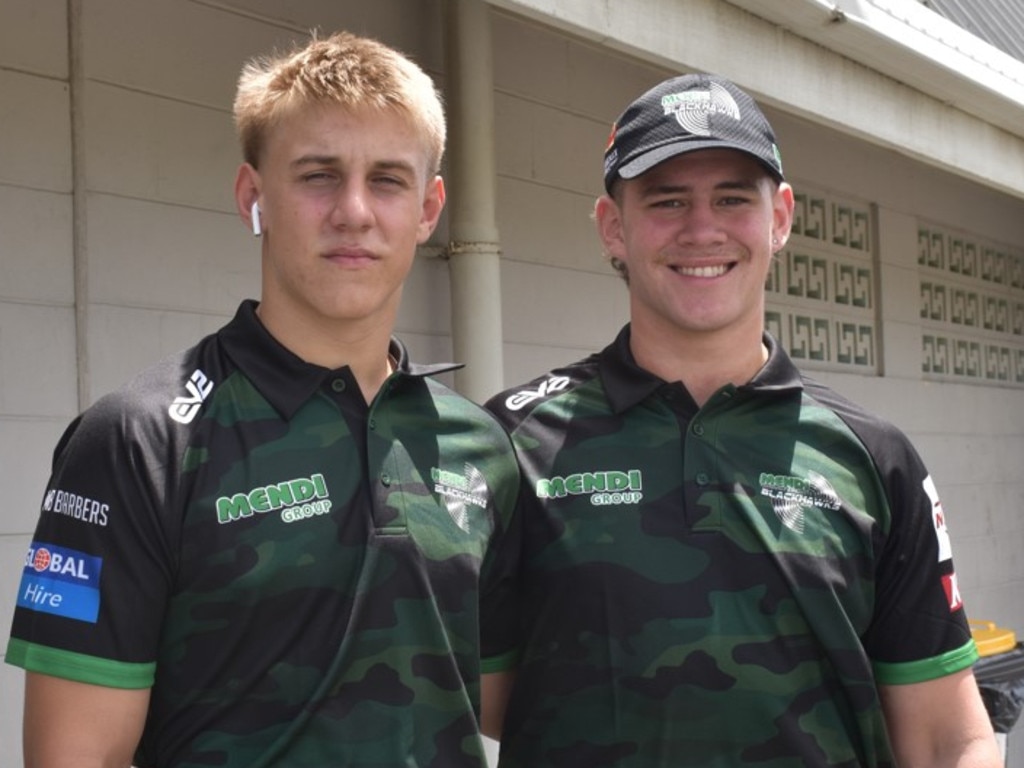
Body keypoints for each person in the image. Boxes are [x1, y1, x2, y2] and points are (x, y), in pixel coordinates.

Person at [7, 30, 518, 768]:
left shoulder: (479, 445)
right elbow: (72, 757)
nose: (353, 211)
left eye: (387, 180)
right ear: (255, 196)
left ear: (429, 208)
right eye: (317, 176)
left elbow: (524, 696)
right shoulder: (139, 440)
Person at [479, 73, 1000, 767]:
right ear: (614, 227)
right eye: (667, 201)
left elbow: (946, 737)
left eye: (732, 198)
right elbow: (478, 694)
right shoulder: (512, 446)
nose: (703, 229)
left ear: (780, 217)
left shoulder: (873, 458)